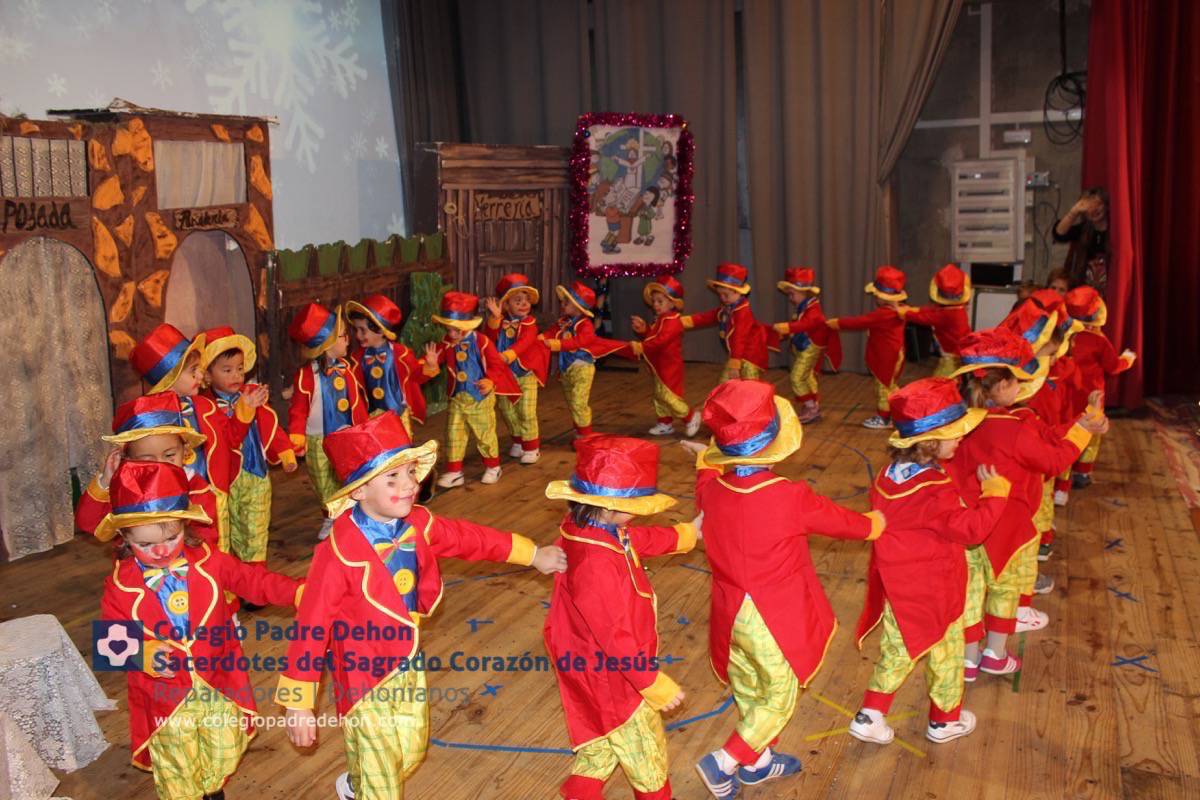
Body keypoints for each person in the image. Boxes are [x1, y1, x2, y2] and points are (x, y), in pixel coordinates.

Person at [276, 413, 567, 800]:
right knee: (384, 780)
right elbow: (311, 627)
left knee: (411, 750)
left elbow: (472, 539)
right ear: (360, 491)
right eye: (392, 479)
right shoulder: (336, 554)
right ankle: (370, 788)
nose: (410, 485)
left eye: (411, 472)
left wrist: (532, 554)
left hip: (406, 660)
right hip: (362, 674)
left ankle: (355, 787)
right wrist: (299, 703)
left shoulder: (420, 523)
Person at [685, 380, 885, 798]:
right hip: (772, 616)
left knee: (748, 684)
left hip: (728, 611)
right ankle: (724, 760)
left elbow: (705, 483)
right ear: (774, 441)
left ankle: (757, 763)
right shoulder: (788, 495)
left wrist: (705, 463)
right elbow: (843, 523)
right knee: (779, 693)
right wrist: (874, 525)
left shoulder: (713, 491)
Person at [99, 460, 302, 800]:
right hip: (164, 697)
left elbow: (254, 580)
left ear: (185, 523)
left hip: (218, 682)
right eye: (146, 545)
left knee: (225, 748)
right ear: (123, 537)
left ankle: (211, 785)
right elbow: (109, 642)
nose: (161, 550)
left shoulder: (210, 561)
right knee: (178, 768)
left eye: (172, 536)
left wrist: (297, 592)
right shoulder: (120, 586)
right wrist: (142, 652)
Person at [850, 377, 1011, 746]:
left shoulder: (888, 477)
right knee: (948, 653)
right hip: (935, 588)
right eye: (954, 434)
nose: (961, 439)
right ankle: (944, 721)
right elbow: (970, 531)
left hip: (899, 586)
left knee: (898, 650)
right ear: (929, 442)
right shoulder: (934, 490)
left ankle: (871, 713)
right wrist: (995, 497)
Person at [544, 435, 699, 800]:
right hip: (612, 672)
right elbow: (613, 635)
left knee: (601, 738)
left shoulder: (590, 528)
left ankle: (580, 790)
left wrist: (685, 534)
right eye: (635, 504)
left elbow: (635, 540)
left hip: (582, 655)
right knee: (644, 746)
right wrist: (650, 681)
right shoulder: (596, 563)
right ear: (609, 507)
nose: (641, 511)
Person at [949, 328, 1107, 681]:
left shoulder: (962, 422)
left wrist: (1079, 422)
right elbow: (1052, 460)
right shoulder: (1018, 426)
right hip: (1011, 523)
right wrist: (1084, 431)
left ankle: (968, 660)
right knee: (1004, 586)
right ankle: (995, 654)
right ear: (1003, 386)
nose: (1022, 386)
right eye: (1017, 380)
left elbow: (1047, 436)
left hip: (969, 522)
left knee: (971, 591)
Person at [129, 324, 262, 542]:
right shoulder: (152, 421)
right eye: (194, 371)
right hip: (174, 502)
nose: (201, 374)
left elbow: (231, 438)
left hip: (214, 494)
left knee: (219, 546)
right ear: (169, 378)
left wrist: (244, 412)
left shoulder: (205, 406)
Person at [201, 326, 296, 566]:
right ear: (208, 375)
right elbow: (229, 438)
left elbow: (269, 425)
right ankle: (229, 581)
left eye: (240, 369)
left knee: (255, 529)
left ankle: (254, 581)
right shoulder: (207, 408)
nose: (236, 375)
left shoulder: (251, 396)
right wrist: (246, 409)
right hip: (224, 480)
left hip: (255, 476)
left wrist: (285, 453)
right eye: (227, 370)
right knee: (226, 530)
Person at [76, 392, 219, 547]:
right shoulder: (125, 489)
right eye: (147, 460)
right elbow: (88, 523)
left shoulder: (196, 489)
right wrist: (106, 481)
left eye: (169, 455)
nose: (161, 465)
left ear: (185, 451)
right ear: (128, 460)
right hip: (135, 566)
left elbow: (206, 537)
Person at [286, 303, 367, 540]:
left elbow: (357, 404)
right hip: (317, 439)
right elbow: (299, 409)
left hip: (346, 436)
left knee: (350, 476)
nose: (348, 340)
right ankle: (331, 516)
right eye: (342, 336)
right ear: (326, 344)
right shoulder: (306, 376)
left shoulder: (347, 369)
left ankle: (354, 514)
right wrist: (297, 435)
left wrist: (363, 431)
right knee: (323, 482)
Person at [427, 291, 521, 487]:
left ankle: (493, 466)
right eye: (448, 329)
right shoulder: (447, 342)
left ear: (465, 326)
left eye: (454, 330)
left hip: (480, 397)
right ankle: (454, 472)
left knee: (484, 433)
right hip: (457, 397)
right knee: (454, 433)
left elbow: (497, 365)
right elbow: (436, 360)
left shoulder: (481, 341)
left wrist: (490, 381)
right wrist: (432, 363)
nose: (450, 334)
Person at [1062, 285, 1137, 490]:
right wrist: (1127, 359)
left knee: (1066, 431)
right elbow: (1113, 366)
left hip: (1066, 393)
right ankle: (1083, 473)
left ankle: (1062, 479)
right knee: (1091, 433)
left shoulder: (1064, 336)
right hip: (1091, 396)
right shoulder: (1099, 340)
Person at [827, 266, 909, 429]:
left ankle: (884, 418)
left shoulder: (884, 313)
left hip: (887, 356)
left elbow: (860, 321)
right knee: (890, 385)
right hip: (895, 353)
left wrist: (837, 323)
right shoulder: (897, 310)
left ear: (881, 297)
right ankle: (899, 413)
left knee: (883, 387)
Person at [541, 281, 626, 437]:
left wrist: (558, 344)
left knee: (579, 402)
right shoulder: (564, 321)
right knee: (572, 402)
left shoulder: (585, 324)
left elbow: (582, 342)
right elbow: (552, 331)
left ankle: (585, 435)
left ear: (577, 306)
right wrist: (542, 337)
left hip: (582, 368)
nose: (562, 304)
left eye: (566, 302)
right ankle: (580, 430)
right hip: (567, 369)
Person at [483, 274, 550, 464]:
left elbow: (525, 343)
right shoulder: (500, 322)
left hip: (525, 373)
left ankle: (532, 447)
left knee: (526, 411)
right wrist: (495, 319)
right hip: (504, 375)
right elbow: (489, 338)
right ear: (505, 305)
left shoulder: (530, 324)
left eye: (527, 300)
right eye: (518, 300)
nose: (524, 304)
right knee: (506, 409)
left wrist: (508, 355)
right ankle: (519, 441)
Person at [346, 293, 434, 436]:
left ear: (380, 330)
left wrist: (429, 366)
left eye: (363, 330)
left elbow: (416, 376)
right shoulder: (357, 358)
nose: (358, 335)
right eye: (356, 330)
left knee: (402, 451)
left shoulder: (400, 353)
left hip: (398, 414)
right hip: (371, 417)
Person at [624, 275, 702, 436]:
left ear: (672, 302)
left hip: (669, 366)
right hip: (659, 365)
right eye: (654, 301)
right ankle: (665, 423)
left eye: (660, 301)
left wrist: (640, 346)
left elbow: (660, 341)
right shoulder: (662, 319)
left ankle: (690, 416)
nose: (656, 305)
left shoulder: (672, 321)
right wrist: (644, 329)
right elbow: (653, 337)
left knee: (669, 396)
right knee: (659, 396)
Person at [681, 263, 772, 382]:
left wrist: (735, 364)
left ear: (738, 292)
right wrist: (683, 321)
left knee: (751, 387)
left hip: (750, 356)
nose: (722, 298)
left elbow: (739, 337)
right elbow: (707, 317)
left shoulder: (742, 312)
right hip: (737, 354)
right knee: (725, 384)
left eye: (726, 295)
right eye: (720, 295)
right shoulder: (727, 308)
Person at [771, 267, 840, 423]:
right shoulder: (804, 307)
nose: (790, 298)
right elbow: (800, 324)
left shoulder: (813, 310)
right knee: (807, 377)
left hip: (811, 347)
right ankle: (813, 405)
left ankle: (811, 407)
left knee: (797, 378)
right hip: (805, 346)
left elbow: (807, 324)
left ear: (804, 292)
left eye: (791, 294)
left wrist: (787, 327)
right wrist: (787, 332)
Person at [899, 263, 973, 378]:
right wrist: (912, 309)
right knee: (952, 381)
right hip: (958, 352)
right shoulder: (956, 308)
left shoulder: (947, 314)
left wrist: (903, 312)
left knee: (941, 382)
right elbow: (931, 310)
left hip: (954, 357)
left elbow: (923, 318)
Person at [1053, 187, 1110, 290]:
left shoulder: (1116, 232)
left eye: (1098, 204)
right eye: (1089, 206)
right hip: (1085, 290)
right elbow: (1059, 234)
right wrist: (1074, 211)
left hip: (1110, 288)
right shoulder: (1083, 230)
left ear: (1106, 206)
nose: (1094, 209)